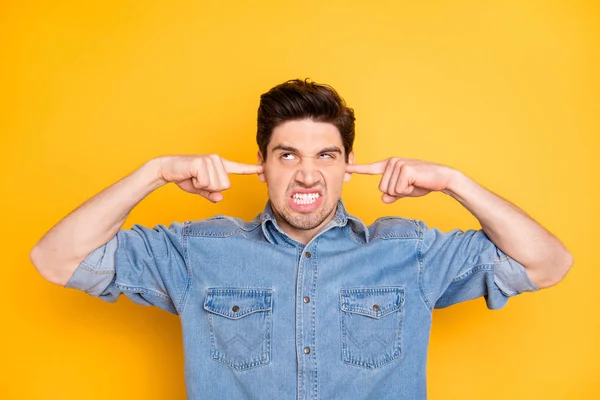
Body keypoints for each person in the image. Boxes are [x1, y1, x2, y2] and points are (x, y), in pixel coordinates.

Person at [30, 79, 573, 400]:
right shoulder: (196, 253)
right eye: (287, 154)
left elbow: (549, 262)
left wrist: (455, 182)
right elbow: (55, 258)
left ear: (348, 166)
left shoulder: (408, 252)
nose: (307, 174)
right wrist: (155, 172)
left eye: (325, 156)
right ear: (262, 166)